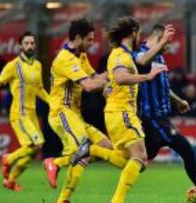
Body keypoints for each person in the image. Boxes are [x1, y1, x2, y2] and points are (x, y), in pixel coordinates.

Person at [72, 16, 166, 203]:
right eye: (138, 32)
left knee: (128, 161)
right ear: (133, 32)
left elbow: (138, 62)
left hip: (119, 113)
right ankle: (116, 201)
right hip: (121, 112)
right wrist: (148, 77)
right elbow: (121, 77)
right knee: (140, 158)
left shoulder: (124, 54)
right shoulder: (120, 55)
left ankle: (92, 150)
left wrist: (162, 41)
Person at [132, 24, 196, 203]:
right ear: (158, 38)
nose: (168, 47)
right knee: (186, 150)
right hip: (153, 119)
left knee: (138, 161)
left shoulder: (159, 57)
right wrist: (162, 42)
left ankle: (92, 155)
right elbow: (142, 61)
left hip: (161, 119)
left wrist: (178, 101)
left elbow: (163, 87)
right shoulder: (139, 53)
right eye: (167, 42)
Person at [44, 19, 127, 203]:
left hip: (75, 115)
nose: (92, 43)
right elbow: (89, 86)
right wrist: (109, 83)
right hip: (61, 113)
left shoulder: (80, 56)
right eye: (89, 39)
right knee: (82, 149)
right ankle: (58, 179)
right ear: (78, 38)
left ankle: (58, 168)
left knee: (105, 147)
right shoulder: (65, 59)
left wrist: (118, 71)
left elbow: (95, 77)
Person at [0, 31, 49, 191]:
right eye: (26, 43)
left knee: (34, 152)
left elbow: (39, 89)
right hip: (19, 114)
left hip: (32, 114)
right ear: (21, 45)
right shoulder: (13, 65)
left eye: (32, 43)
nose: (30, 46)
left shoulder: (37, 65)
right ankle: (8, 158)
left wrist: (53, 103)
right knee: (38, 144)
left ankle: (11, 181)